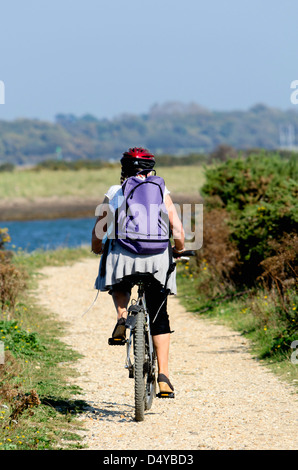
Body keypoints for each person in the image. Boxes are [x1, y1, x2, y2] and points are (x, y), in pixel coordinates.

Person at [91, 147, 185, 396]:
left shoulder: (114, 192)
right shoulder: (161, 190)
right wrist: (179, 249)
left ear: (124, 170)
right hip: (156, 261)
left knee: (118, 274)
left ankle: (122, 317)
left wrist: (97, 247)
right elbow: (176, 228)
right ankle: (163, 376)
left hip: (125, 259)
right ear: (151, 169)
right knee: (159, 315)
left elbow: (99, 230)